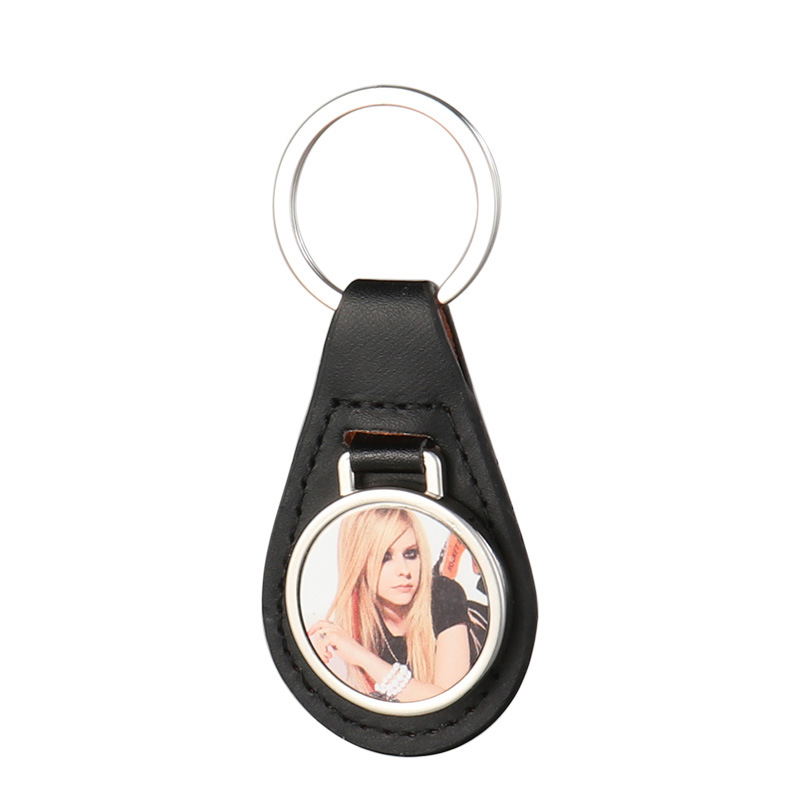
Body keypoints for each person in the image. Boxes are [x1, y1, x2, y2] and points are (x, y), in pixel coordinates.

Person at [308, 507, 471, 702]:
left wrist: (362, 656)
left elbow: (449, 701)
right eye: (385, 557)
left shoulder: (443, 594)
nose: (404, 571)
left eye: (410, 554)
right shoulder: (356, 621)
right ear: (358, 562)